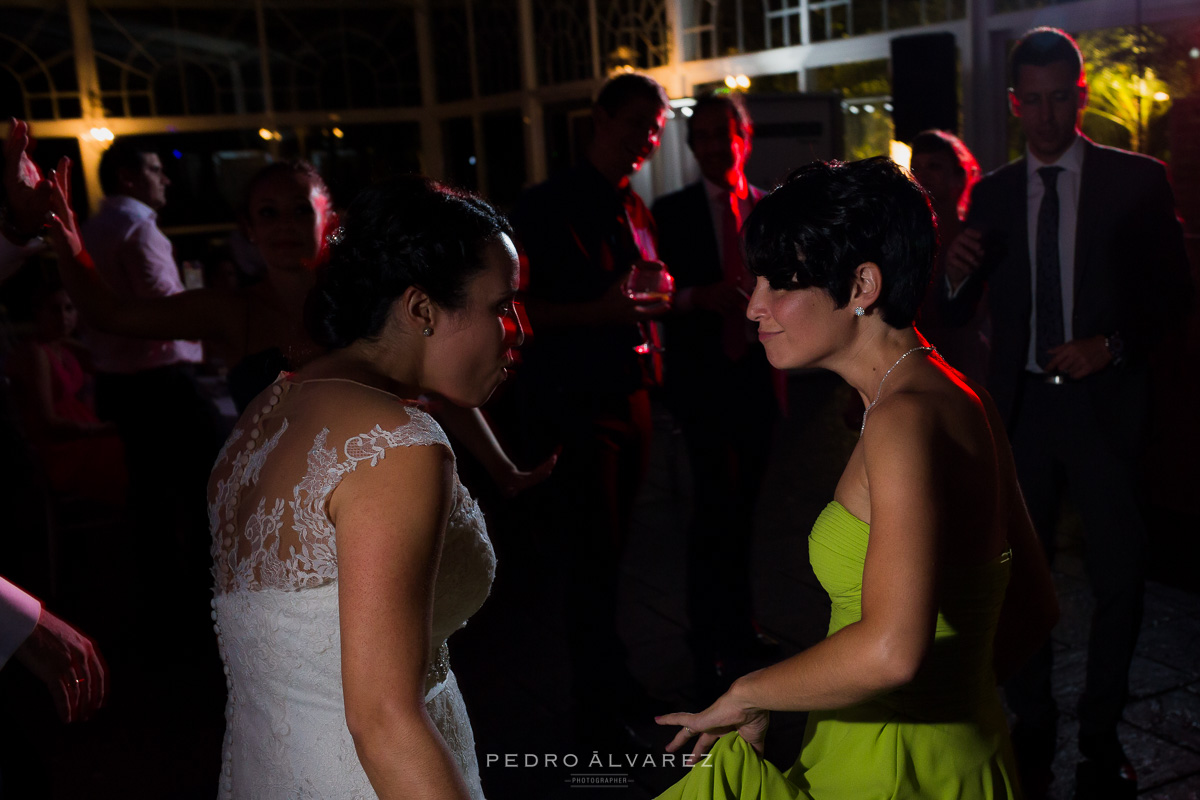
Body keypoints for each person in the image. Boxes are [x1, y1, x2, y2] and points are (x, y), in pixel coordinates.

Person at [48, 173, 520, 797]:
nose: (519, 329)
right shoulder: (400, 445)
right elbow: (383, 722)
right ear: (422, 309)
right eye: (503, 306)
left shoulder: (267, 411)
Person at [653, 157, 1059, 799]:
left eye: (779, 282)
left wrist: (750, 692)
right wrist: (946, 704)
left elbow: (894, 650)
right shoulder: (957, 396)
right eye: (754, 280)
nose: (754, 305)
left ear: (863, 284)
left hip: (888, 769)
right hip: (961, 755)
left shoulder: (901, 420)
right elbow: (1037, 607)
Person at [941, 28, 1193, 797]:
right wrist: (952, 275)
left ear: (1079, 96)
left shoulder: (1137, 181)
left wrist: (1108, 345)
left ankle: (1101, 730)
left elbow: (1175, 298)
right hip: (1021, 415)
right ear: (1015, 104)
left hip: (1103, 408)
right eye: (1032, 103)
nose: (1046, 119)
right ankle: (1034, 721)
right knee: (1020, 579)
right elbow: (961, 314)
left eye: (1060, 100)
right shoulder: (988, 195)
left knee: (1121, 576)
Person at [508, 71, 671, 744]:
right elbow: (516, 309)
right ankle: (594, 710)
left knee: (616, 549)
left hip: (631, 392)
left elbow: (644, 287)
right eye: (634, 122)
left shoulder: (634, 207)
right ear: (599, 120)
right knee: (589, 555)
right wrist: (598, 311)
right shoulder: (544, 206)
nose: (644, 138)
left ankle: (612, 678)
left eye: (655, 129)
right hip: (574, 400)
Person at [652, 91, 780, 697]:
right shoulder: (669, 212)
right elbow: (657, 293)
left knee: (746, 512)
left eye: (719, 135)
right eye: (699, 137)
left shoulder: (766, 210)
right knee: (710, 514)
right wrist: (696, 298)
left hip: (758, 380)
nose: (710, 146)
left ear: (742, 138)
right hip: (703, 380)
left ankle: (742, 627)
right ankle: (708, 640)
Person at [5, 280, 127, 505]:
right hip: (63, 451)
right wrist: (100, 430)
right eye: (54, 309)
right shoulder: (35, 353)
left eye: (69, 309)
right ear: (38, 312)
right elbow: (47, 423)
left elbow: (106, 361)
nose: (63, 317)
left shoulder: (62, 346)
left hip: (84, 439)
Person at [909, 129, 990, 384]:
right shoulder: (903, 241)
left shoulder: (975, 239)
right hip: (913, 366)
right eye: (916, 167)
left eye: (934, 166)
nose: (922, 175)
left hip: (964, 363)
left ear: (959, 177)